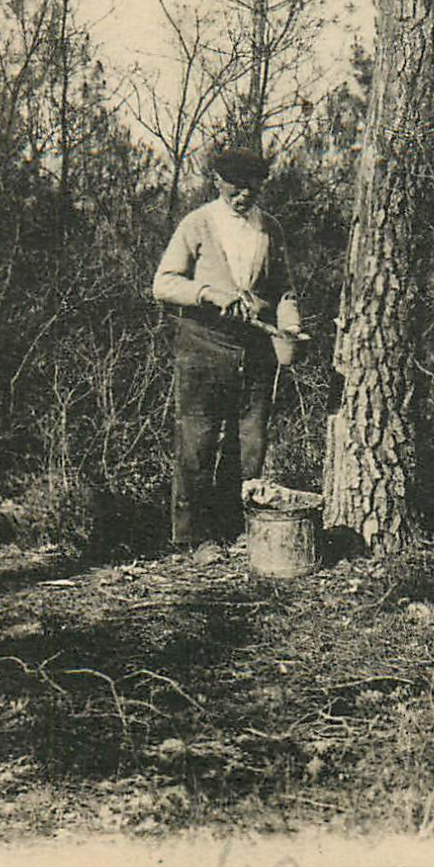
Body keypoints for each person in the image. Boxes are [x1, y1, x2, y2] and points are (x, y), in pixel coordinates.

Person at [152, 147, 302, 561]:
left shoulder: (269, 229)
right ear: (218, 182)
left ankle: (235, 526)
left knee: (250, 440)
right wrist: (206, 293)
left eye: (252, 189)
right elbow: (163, 283)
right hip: (202, 343)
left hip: (255, 347)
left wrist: (291, 327)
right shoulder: (197, 223)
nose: (244, 196)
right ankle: (193, 537)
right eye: (236, 188)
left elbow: (284, 290)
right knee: (197, 441)